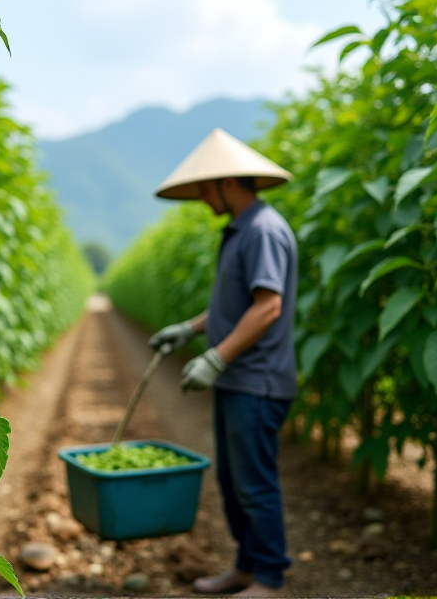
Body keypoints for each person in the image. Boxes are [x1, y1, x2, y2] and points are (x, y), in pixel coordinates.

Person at [149, 129, 298, 598]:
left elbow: (267, 307)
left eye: (205, 188)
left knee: (254, 482)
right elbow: (236, 306)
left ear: (229, 182)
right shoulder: (240, 231)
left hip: (258, 381)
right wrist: (191, 330)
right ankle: (246, 567)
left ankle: (270, 578)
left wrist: (216, 356)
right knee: (233, 481)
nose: (201, 197)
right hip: (238, 379)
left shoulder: (263, 230)